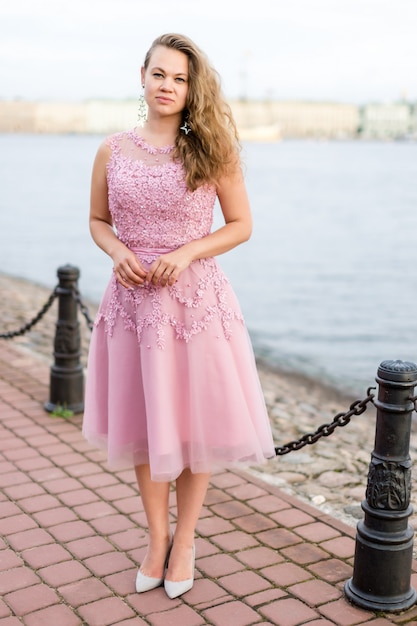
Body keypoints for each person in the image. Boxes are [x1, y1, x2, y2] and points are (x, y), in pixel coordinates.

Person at [82, 33, 275, 599]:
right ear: (142, 76)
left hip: (195, 307)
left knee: (195, 429)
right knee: (144, 427)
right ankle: (156, 536)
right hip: (132, 306)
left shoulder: (211, 149)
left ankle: (186, 539)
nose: (168, 86)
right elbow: (97, 220)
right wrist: (118, 252)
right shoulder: (112, 150)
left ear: (193, 90)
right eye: (160, 74)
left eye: (181, 78)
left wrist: (187, 251)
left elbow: (241, 225)